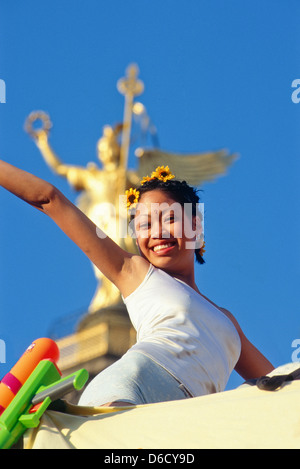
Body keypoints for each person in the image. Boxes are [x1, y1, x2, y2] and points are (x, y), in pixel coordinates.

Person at [0, 160, 274, 407]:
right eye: (144, 225)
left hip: (183, 419)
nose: (157, 233)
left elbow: (279, 385)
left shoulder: (228, 322)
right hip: (131, 388)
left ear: (196, 227)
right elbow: (50, 199)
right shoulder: (135, 272)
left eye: (169, 219)